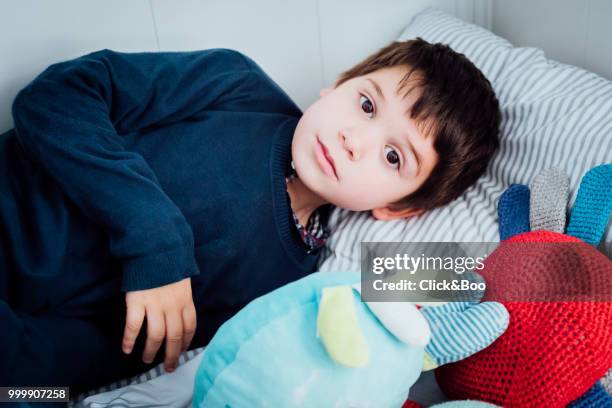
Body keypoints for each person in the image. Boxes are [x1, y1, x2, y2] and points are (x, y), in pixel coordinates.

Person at [0, 38, 500, 395]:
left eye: (393, 157)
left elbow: (121, 345)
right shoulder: (236, 86)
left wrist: (29, 389)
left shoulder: (287, 284)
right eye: (366, 104)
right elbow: (54, 98)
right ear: (336, 86)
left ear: (397, 208)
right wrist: (155, 238)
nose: (355, 139)